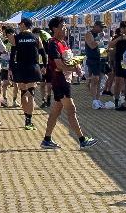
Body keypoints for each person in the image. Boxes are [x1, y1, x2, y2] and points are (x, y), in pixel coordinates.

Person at [40, 17, 97, 150]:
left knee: (55, 111)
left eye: (65, 26)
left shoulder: (64, 43)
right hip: (59, 80)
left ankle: (47, 139)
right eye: (63, 26)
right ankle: (82, 140)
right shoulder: (53, 43)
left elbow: (68, 61)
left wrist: (76, 65)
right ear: (55, 29)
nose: (65, 29)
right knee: (71, 109)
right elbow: (59, 65)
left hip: (66, 79)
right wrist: (73, 68)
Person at [9, 17, 43, 130]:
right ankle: (30, 120)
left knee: (23, 91)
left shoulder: (16, 38)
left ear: (23, 24)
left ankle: (26, 119)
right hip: (33, 67)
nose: (19, 26)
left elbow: (12, 54)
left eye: (20, 24)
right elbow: (43, 53)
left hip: (20, 67)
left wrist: (10, 68)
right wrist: (44, 66)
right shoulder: (36, 37)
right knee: (31, 91)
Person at [107, 21, 126, 109]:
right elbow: (110, 45)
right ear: (120, 29)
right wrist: (119, 38)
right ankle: (117, 100)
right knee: (118, 80)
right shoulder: (118, 37)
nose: (125, 30)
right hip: (119, 62)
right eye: (123, 28)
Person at [84, 21, 105, 109]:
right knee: (95, 79)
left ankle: (98, 99)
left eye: (103, 28)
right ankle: (94, 100)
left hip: (100, 59)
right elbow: (92, 45)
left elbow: (100, 47)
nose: (101, 29)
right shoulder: (89, 34)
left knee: (100, 80)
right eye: (100, 27)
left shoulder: (98, 35)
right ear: (95, 26)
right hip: (92, 60)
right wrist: (99, 38)